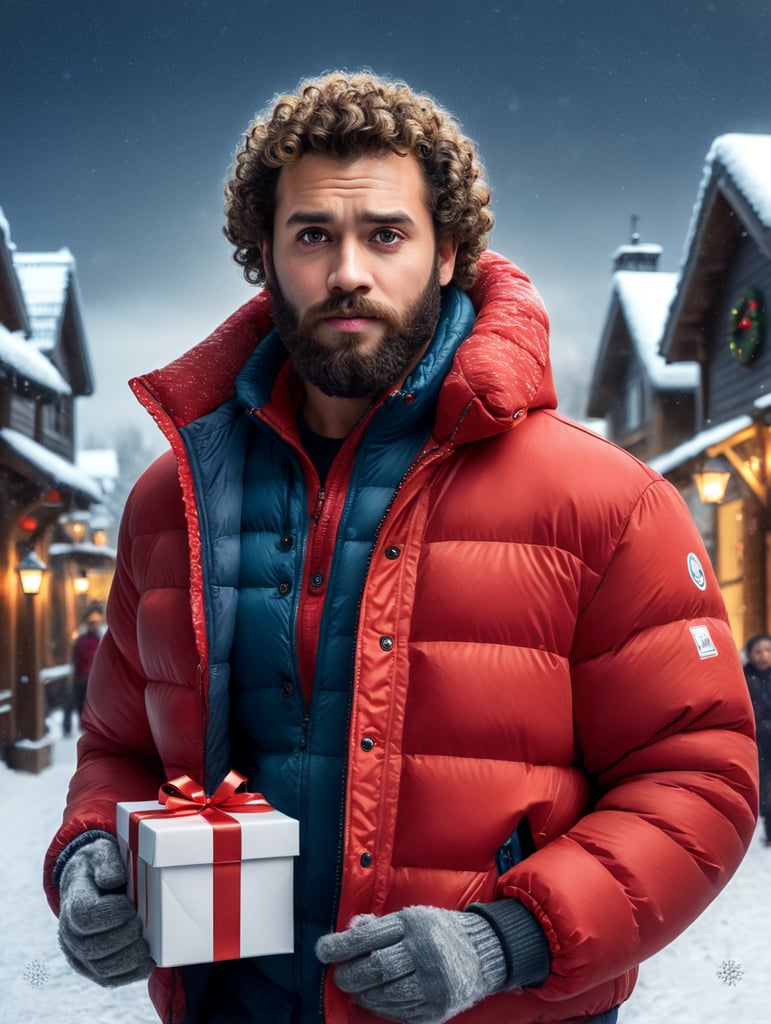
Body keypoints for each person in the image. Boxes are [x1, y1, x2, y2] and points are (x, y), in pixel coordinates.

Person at [44, 72, 758, 1024]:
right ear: (263, 254)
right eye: (312, 235)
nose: (347, 271)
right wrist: (93, 852)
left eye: (385, 234)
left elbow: (699, 776)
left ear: (448, 249)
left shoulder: (604, 502)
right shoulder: (168, 504)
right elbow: (120, 748)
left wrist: (508, 938)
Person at [743, 633, 771, 845]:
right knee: (764, 784)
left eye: (768, 650)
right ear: (750, 655)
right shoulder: (743, 678)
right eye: (758, 651)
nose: (764, 656)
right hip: (757, 741)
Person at [62, 610, 103, 737]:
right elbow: (76, 659)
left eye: (95, 624)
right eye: (92, 624)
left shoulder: (96, 640)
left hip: (89, 679)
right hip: (84, 679)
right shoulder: (88, 640)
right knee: (82, 705)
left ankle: (86, 730)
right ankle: (85, 730)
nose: (94, 626)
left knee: (85, 705)